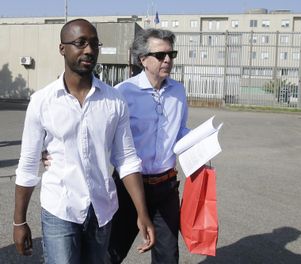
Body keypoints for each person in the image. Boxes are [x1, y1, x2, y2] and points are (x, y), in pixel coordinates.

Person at [13, 18, 155, 263]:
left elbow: (127, 159)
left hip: (102, 210)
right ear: (62, 49)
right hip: (60, 209)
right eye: (80, 43)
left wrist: (142, 213)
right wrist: (19, 221)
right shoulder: (42, 102)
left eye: (94, 44)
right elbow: (27, 166)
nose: (89, 50)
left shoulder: (114, 101)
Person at [107, 28, 190, 263]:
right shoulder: (123, 92)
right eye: (161, 55)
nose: (168, 60)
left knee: (168, 256)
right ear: (143, 59)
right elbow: (101, 135)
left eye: (171, 54)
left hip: (166, 187)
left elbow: (181, 130)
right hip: (130, 186)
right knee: (111, 251)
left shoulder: (178, 91)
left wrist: (201, 144)